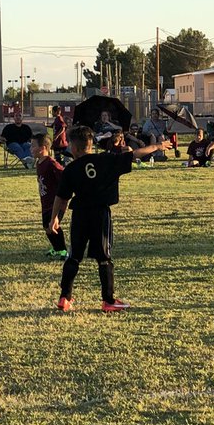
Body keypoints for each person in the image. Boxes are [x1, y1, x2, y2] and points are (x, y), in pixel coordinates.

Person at [48, 125, 165, 312]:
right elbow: (135, 154)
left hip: (80, 215)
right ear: (89, 145)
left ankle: (64, 297)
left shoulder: (71, 169)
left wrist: (55, 218)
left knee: (74, 257)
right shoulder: (106, 160)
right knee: (104, 258)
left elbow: (61, 197)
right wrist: (157, 147)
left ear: (74, 147)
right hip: (100, 214)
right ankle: (108, 300)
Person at [33, 133, 67, 259]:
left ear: (43, 148)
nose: (31, 149)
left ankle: (63, 251)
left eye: (33, 146)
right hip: (46, 201)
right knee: (47, 227)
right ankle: (56, 248)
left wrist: (63, 196)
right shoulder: (39, 163)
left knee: (53, 226)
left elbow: (64, 177)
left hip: (56, 202)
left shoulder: (51, 163)